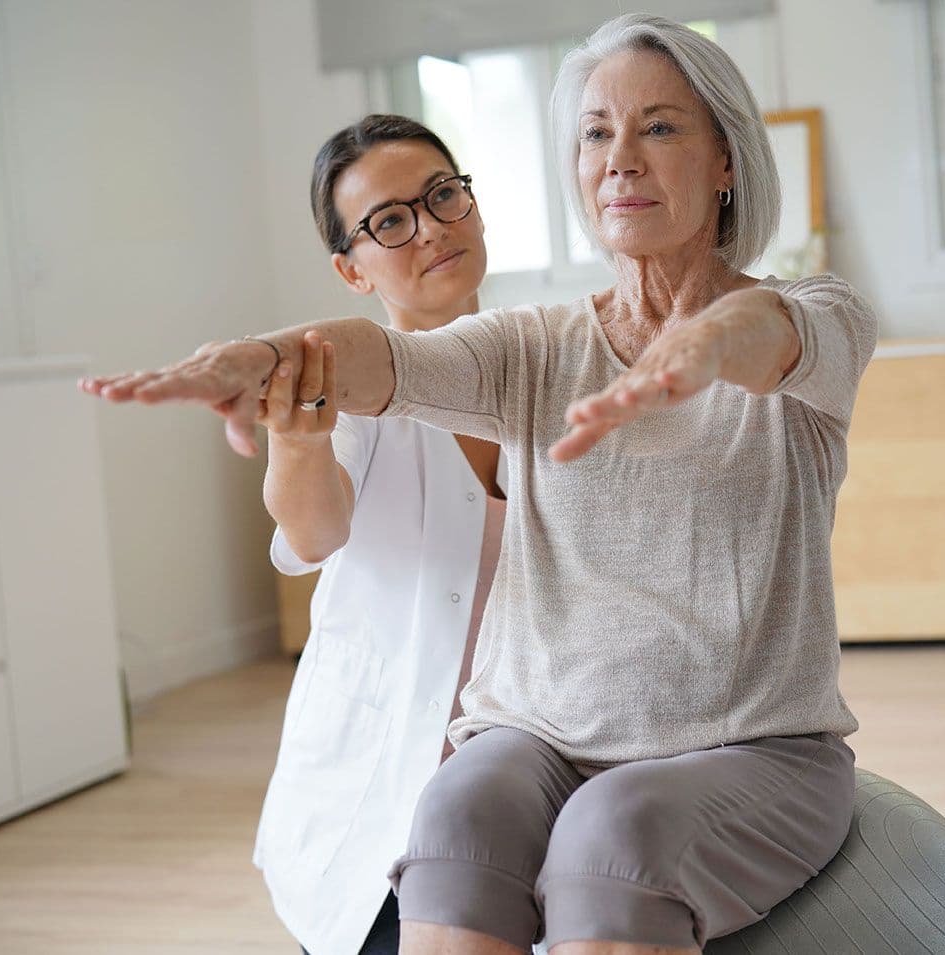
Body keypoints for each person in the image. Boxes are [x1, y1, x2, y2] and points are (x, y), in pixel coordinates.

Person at [82, 14, 878, 953]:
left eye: (659, 127)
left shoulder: (820, 314)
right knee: (457, 807)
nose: (619, 158)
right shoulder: (531, 345)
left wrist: (700, 343)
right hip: (535, 738)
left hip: (746, 745)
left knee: (613, 832)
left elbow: (772, 337)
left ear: (726, 159)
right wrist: (262, 357)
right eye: (595, 132)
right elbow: (380, 360)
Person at [250, 114, 502, 955]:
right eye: (389, 220)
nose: (430, 228)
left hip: (516, 776)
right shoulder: (350, 398)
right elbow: (313, 532)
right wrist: (297, 439)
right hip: (377, 784)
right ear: (350, 269)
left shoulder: (542, 369)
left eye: (442, 195)